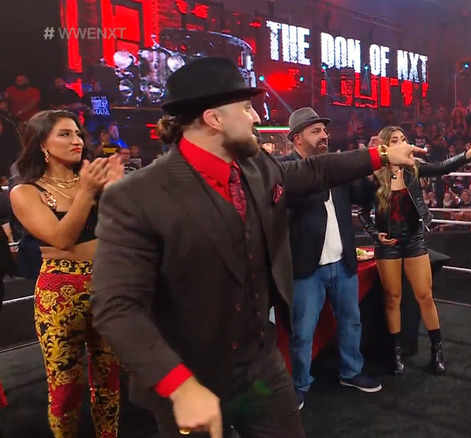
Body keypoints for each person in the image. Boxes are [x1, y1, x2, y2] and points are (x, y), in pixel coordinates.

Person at [89, 57, 424, 438]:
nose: (256, 118)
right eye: (247, 108)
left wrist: (381, 155)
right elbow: (116, 307)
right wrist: (177, 384)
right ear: (214, 119)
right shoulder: (136, 196)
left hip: (258, 361)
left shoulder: (256, 167)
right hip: (187, 372)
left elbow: (316, 170)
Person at [8, 110, 123, 438]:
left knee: (109, 381)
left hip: (107, 283)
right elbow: (61, 238)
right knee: (65, 388)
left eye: (77, 134)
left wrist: (116, 190)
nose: (77, 141)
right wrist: (87, 192)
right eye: (65, 134)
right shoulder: (25, 191)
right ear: (42, 143)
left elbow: (127, 230)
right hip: (60, 291)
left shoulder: (95, 181)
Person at [356, 127, 471, 375]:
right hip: (388, 244)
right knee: (393, 298)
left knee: (425, 296)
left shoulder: (413, 168)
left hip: (413, 238)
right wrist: (376, 235)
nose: (402, 143)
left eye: (403, 139)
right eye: (395, 140)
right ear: (385, 146)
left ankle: (437, 352)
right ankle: (396, 353)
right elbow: (363, 212)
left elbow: (441, 167)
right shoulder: (374, 177)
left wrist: (467, 155)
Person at [279, 107, 382, 410]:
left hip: (342, 261)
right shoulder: (285, 170)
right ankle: (299, 384)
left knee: (351, 321)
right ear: (297, 138)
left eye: (324, 131)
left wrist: (370, 174)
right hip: (306, 266)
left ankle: (351, 371)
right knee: (302, 332)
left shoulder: (335, 167)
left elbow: (362, 196)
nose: (324, 136)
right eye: (316, 131)